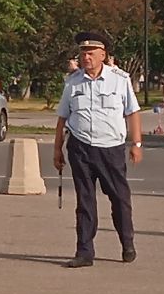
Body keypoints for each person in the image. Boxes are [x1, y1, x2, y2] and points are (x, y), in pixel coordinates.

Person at [53, 31, 143, 268]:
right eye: (83, 53)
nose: (86, 58)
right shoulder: (73, 82)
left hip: (110, 148)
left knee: (119, 198)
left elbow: (132, 113)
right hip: (80, 147)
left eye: (91, 53)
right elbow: (63, 118)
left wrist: (136, 144)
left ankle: (127, 243)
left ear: (103, 55)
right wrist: (57, 150)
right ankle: (84, 251)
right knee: (85, 200)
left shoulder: (119, 80)